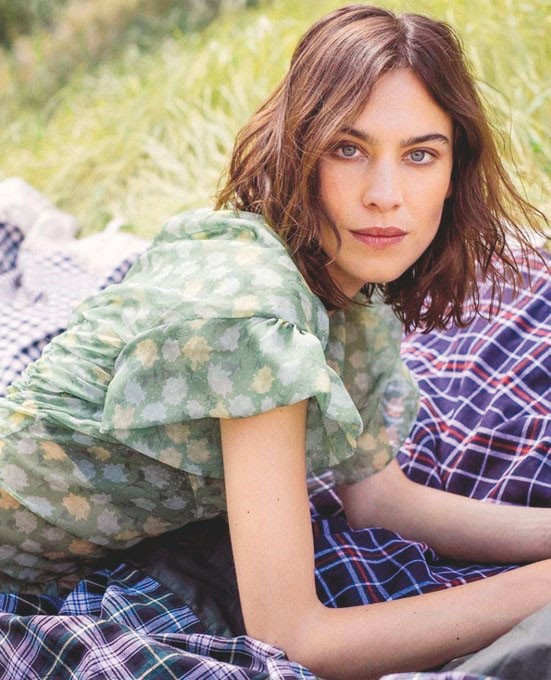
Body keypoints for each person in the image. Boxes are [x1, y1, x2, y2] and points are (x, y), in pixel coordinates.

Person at [0, 3, 549, 678]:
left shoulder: (346, 288)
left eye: (419, 155)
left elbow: (380, 499)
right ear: (298, 149)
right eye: (347, 148)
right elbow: (295, 638)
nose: (385, 195)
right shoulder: (255, 321)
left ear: (453, 172)